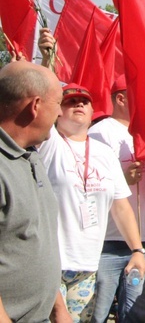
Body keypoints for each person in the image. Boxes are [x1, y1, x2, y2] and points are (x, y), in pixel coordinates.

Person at [38, 83, 145, 322]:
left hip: (87, 265)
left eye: (84, 102)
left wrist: (137, 249)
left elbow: (120, 205)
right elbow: (41, 102)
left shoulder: (104, 152)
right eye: (70, 101)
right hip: (50, 264)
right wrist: (47, 60)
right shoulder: (49, 143)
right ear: (56, 109)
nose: (79, 105)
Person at [0, 61, 70, 322]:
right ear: (35, 106)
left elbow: (38, 244)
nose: (61, 113)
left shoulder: (30, 157)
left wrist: (58, 309)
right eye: (58, 103)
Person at [88, 76, 145, 323]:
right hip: (109, 241)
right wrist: (122, 178)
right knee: (97, 314)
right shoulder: (99, 133)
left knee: (136, 315)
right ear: (121, 98)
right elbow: (87, 182)